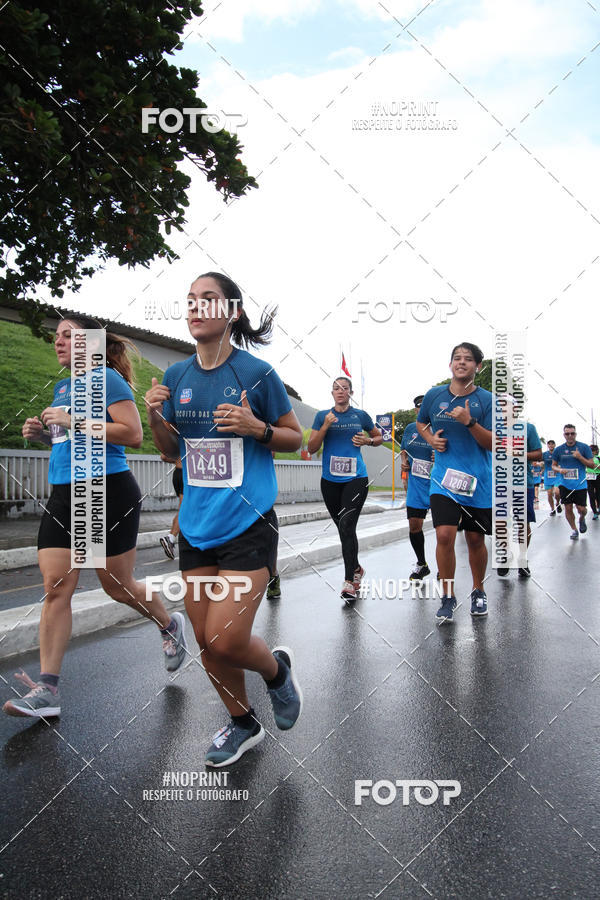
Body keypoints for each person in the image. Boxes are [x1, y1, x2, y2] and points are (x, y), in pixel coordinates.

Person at [145, 272, 304, 767]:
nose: (196, 307)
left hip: (248, 523)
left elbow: (293, 437)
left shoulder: (256, 373)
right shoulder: (176, 379)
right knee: (207, 646)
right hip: (197, 527)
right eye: (190, 300)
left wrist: (257, 428)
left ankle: (276, 672)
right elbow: (171, 451)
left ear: (232, 312)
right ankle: (242, 723)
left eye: (208, 300)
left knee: (225, 638)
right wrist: (155, 416)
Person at [3, 317, 186, 720]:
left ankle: (168, 624)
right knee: (55, 587)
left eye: (70, 336)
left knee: (117, 587)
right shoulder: (63, 387)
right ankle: (47, 690)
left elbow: (132, 433)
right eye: (56, 337)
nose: (60, 342)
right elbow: (73, 437)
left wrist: (72, 421)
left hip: (105, 489)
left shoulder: (108, 380)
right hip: (64, 491)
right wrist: (44, 433)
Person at [416, 342, 493, 623]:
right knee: (444, 535)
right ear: (450, 364)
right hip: (443, 480)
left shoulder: (487, 401)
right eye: (457, 358)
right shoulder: (434, 395)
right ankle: (448, 596)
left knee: (475, 539)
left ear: (478, 367)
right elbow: (421, 422)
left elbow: (494, 443)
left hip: (478, 482)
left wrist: (470, 422)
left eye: (468, 359)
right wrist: (430, 439)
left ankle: (478, 589)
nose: (462, 363)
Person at [308, 377, 382, 602]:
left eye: (345, 389)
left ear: (350, 393)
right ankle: (357, 568)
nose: (340, 392)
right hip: (330, 480)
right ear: (331, 393)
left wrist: (368, 442)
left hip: (356, 478)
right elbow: (311, 447)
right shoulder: (323, 416)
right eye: (336, 388)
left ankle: (349, 581)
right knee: (343, 528)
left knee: (348, 524)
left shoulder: (360, 415)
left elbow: (379, 437)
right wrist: (325, 426)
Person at [497, 421, 542, 578]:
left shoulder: (528, 428)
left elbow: (538, 454)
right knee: (500, 522)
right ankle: (505, 554)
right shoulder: (492, 427)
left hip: (522, 483)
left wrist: (519, 454)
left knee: (522, 523)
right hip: (499, 483)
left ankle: (522, 558)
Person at [400, 395, 434, 580]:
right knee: (414, 525)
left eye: (425, 407)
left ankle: (445, 567)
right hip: (416, 484)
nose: (422, 410)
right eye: (419, 408)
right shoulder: (411, 429)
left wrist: (440, 459)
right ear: (415, 410)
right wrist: (404, 462)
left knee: (444, 530)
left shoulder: (440, 428)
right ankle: (422, 564)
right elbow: (404, 450)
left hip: (438, 484)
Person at [552, 425, 595, 540]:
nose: (570, 436)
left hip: (580, 484)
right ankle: (574, 529)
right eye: (567, 434)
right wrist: (560, 470)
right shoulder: (559, 450)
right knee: (568, 508)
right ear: (564, 435)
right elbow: (553, 466)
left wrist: (580, 457)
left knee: (581, 509)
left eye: (572, 433)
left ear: (575, 434)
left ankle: (581, 519)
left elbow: (592, 465)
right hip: (565, 484)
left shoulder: (584, 447)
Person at [160, 454, 183, 560]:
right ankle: (171, 538)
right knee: (185, 509)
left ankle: (172, 538)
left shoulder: (177, 437)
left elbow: (164, 457)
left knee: (183, 508)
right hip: (188, 475)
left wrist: (178, 460)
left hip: (177, 473)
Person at [542, 440, 561, 515]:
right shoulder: (544, 454)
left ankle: (558, 503)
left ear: (555, 445)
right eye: (549, 444)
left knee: (557, 492)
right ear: (547, 446)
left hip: (557, 476)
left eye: (552, 444)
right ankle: (552, 509)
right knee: (549, 494)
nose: (551, 446)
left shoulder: (558, 453)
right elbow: (538, 460)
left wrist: (560, 466)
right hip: (548, 476)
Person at [585, 444, 600, 520]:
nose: (592, 452)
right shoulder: (586, 458)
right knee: (591, 495)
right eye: (591, 451)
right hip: (589, 477)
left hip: (597, 477)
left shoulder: (598, 458)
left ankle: (599, 506)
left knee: (598, 494)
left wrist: (595, 466)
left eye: (593, 451)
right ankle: (594, 512)